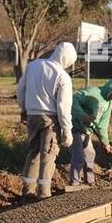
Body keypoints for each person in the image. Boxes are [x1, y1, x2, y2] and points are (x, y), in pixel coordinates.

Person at [17, 42, 77, 200]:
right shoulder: (62, 76)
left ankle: (27, 192)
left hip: (32, 116)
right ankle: (43, 194)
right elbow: (63, 107)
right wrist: (67, 131)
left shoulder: (33, 66)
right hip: (50, 119)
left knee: (33, 153)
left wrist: (24, 109)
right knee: (48, 155)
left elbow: (20, 90)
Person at [69, 77, 112, 187]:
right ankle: (74, 183)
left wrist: (106, 142)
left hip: (87, 131)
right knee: (78, 156)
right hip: (76, 127)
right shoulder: (92, 93)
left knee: (90, 154)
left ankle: (89, 181)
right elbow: (74, 99)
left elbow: (102, 125)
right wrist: (83, 116)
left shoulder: (108, 104)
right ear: (110, 88)